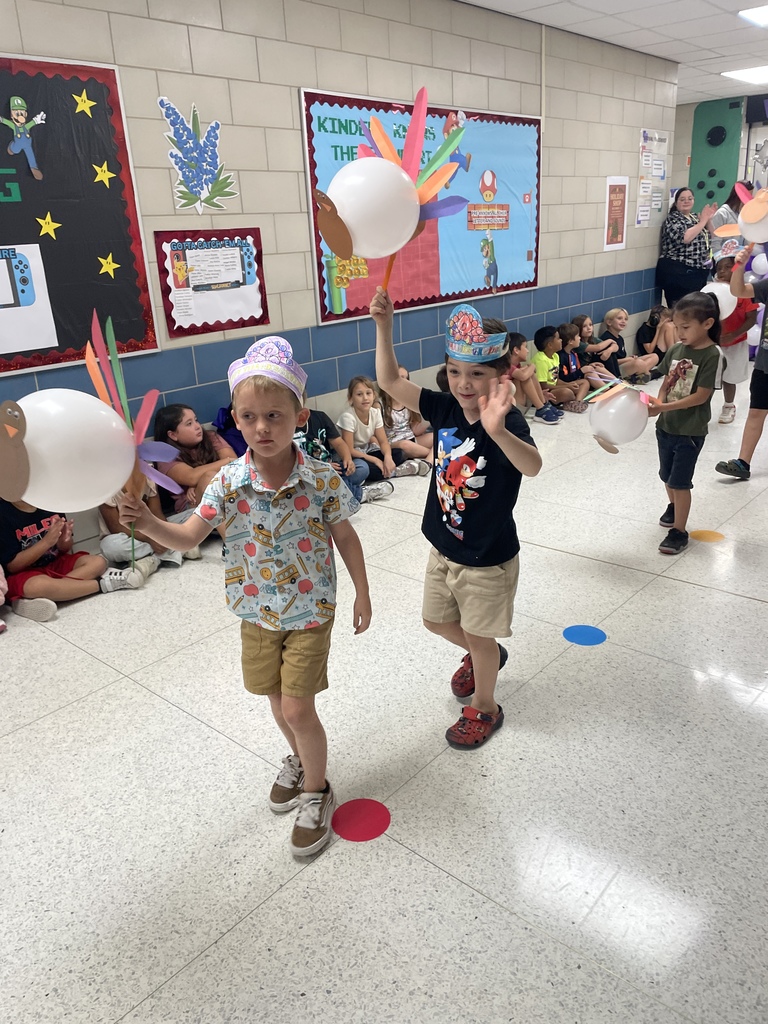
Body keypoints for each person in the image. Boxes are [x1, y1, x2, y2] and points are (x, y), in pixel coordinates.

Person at [118, 337, 371, 857]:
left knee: (299, 709)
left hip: (309, 611)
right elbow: (188, 537)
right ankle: (300, 759)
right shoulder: (228, 482)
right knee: (277, 704)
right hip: (255, 611)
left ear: (299, 416)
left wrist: (362, 593)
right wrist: (146, 523)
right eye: (250, 416)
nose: (262, 428)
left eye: (275, 416)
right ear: (234, 417)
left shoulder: (320, 478)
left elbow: (345, 536)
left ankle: (317, 791)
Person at [374, 291, 542, 748]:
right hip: (444, 544)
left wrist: (497, 430)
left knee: (477, 632)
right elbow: (389, 379)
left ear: (500, 374)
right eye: (454, 372)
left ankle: (486, 706)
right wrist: (385, 326)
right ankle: (483, 653)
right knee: (435, 621)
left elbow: (532, 466)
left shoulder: (507, 422)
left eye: (476, 374)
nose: (464, 384)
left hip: (487, 556)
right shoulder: (445, 407)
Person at [646, 291, 724, 554]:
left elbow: (700, 397)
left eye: (686, 327)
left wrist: (664, 406)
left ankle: (679, 531)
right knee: (666, 476)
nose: (679, 333)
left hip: (689, 432)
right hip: (666, 427)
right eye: (676, 326)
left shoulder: (713, 355)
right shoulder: (678, 349)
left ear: (708, 324)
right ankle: (674, 506)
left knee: (680, 482)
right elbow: (667, 381)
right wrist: (658, 404)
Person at [0, 497, 143, 622]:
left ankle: (52, 594)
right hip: (24, 574)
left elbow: (65, 548)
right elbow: (13, 566)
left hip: (55, 562)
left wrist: (63, 540)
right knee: (38, 586)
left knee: (97, 562)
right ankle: (103, 585)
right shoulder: (3, 513)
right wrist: (46, 542)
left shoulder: (50, 503)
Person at [716, 242, 768, 480]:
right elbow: (738, 291)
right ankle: (743, 463)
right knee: (756, 411)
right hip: (766, 362)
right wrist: (739, 265)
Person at [336, 376, 416, 500]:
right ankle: (395, 471)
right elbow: (349, 450)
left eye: (368, 393)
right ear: (350, 398)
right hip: (353, 458)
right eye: (359, 394)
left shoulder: (375, 413)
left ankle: (389, 469)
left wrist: (388, 457)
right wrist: (375, 460)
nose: (365, 398)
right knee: (365, 468)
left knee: (399, 453)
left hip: (368, 451)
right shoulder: (348, 417)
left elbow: (383, 441)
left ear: (374, 395)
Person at [98, 480, 200, 575]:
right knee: (109, 546)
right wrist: (150, 538)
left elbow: (157, 514)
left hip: (152, 527)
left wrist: (161, 535)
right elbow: (116, 527)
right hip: (128, 536)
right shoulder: (105, 483)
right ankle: (176, 549)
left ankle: (153, 558)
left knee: (195, 514)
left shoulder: (147, 473)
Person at [154, 405, 237, 517]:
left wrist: (198, 483)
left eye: (196, 420)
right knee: (208, 478)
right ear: (173, 435)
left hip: (226, 493)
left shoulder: (211, 437)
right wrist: (227, 462)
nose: (197, 426)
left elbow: (235, 464)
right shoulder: (165, 456)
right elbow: (191, 477)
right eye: (189, 423)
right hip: (191, 506)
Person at [710, 249, 758, 423]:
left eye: (727, 267)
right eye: (719, 268)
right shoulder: (712, 291)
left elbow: (751, 318)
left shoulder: (744, 293)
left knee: (730, 376)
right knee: (709, 375)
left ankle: (729, 405)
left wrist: (733, 335)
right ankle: (701, 406)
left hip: (735, 341)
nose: (722, 271)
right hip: (713, 342)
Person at [293, 400, 367, 503]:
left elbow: (339, 443)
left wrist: (348, 459)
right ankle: (357, 493)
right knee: (311, 486)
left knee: (362, 467)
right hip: (309, 474)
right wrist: (322, 469)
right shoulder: (285, 427)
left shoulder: (320, 417)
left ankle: (338, 487)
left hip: (333, 468)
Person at [656, 188, 717, 307]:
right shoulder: (673, 219)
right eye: (682, 199)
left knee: (695, 309)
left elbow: (713, 235)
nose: (686, 201)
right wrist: (703, 221)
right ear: (676, 202)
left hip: (697, 272)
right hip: (678, 272)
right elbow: (686, 238)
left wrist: (708, 219)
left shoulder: (694, 217)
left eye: (690, 199)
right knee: (682, 309)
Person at [378, 366, 433, 465]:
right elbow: (378, 433)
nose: (403, 382)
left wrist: (432, 417)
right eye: (400, 378)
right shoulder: (380, 404)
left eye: (405, 379)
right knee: (405, 445)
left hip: (411, 438)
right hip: (393, 443)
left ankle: (427, 461)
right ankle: (433, 457)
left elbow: (415, 430)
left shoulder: (409, 400)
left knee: (437, 436)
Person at [505, 330, 561, 424]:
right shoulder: (507, 366)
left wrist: (540, 394)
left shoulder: (517, 366)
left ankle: (543, 404)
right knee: (525, 375)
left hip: (519, 405)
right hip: (511, 409)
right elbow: (523, 376)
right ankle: (541, 408)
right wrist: (532, 366)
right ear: (516, 350)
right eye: (525, 347)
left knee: (529, 374)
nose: (527, 351)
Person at [532, 326, 586, 407]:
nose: (561, 340)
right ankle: (571, 402)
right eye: (558, 338)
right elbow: (543, 386)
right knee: (567, 392)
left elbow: (556, 379)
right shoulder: (541, 360)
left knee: (584, 383)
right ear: (550, 345)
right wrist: (567, 386)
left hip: (555, 387)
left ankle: (576, 402)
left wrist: (569, 384)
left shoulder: (555, 356)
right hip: (546, 392)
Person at [601, 308, 658, 380]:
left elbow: (622, 357)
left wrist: (630, 358)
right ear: (609, 322)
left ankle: (639, 375)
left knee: (654, 356)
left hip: (624, 364)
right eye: (619, 318)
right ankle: (644, 374)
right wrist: (628, 360)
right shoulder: (606, 339)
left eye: (625, 319)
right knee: (638, 363)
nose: (623, 321)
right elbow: (611, 362)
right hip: (615, 370)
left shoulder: (620, 338)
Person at [571, 314, 620, 389]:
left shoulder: (594, 340)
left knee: (608, 352)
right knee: (598, 363)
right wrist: (610, 340)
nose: (589, 328)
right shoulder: (578, 343)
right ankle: (609, 389)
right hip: (583, 372)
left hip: (594, 367)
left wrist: (609, 350)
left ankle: (618, 383)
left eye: (590, 325)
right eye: (584, 326)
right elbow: (598, 347)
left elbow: (616, 347)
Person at [709, 180, 754, 255]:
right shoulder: (722, 214)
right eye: (747, 196)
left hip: (739, 259)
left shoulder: (744, 216)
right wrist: (721, 260)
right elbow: (715, 242)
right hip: (724, 261)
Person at [555, 323, 590, 411]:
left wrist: (586, 368)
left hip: (572, 381)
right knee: (571, 390)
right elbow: (563, 378)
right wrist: (581, 371)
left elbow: (575, 369)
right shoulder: (561, 356)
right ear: (570, 341)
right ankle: (575, 401)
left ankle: (577, 401)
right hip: (564, 384)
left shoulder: (573, 353)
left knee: (586, 381)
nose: (580, 338)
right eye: (577, 336)